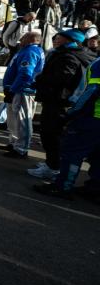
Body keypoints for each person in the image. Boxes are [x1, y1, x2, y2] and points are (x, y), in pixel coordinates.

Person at [30, 29, 94, 179]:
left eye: (59, 37)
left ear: (68, 40)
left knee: (50, 134)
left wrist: (40, 80)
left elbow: (62, 78)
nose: (56, 39)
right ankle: (52, 163)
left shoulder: (69, 56)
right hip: (64, 101)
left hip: (58, 101)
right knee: (54, 134)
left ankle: (53, 167)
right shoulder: (81, 53)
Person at [33, 56, 100, 200]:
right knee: (97, 156)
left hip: (92, 117)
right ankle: (95, 189)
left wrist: (72, 113)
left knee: (72, 153)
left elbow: (92, 91)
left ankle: (63, 186)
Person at [1, 32, 45, 159]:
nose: (20, 39)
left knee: (23, 119)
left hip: (23, 90)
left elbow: (26, 73)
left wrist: (13, 89)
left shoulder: (30, 52)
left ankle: (21, 148)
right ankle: (15, 142)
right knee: (14, 118)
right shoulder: (26, 50)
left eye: (24, 37)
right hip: (17, 89)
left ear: (31, 40)